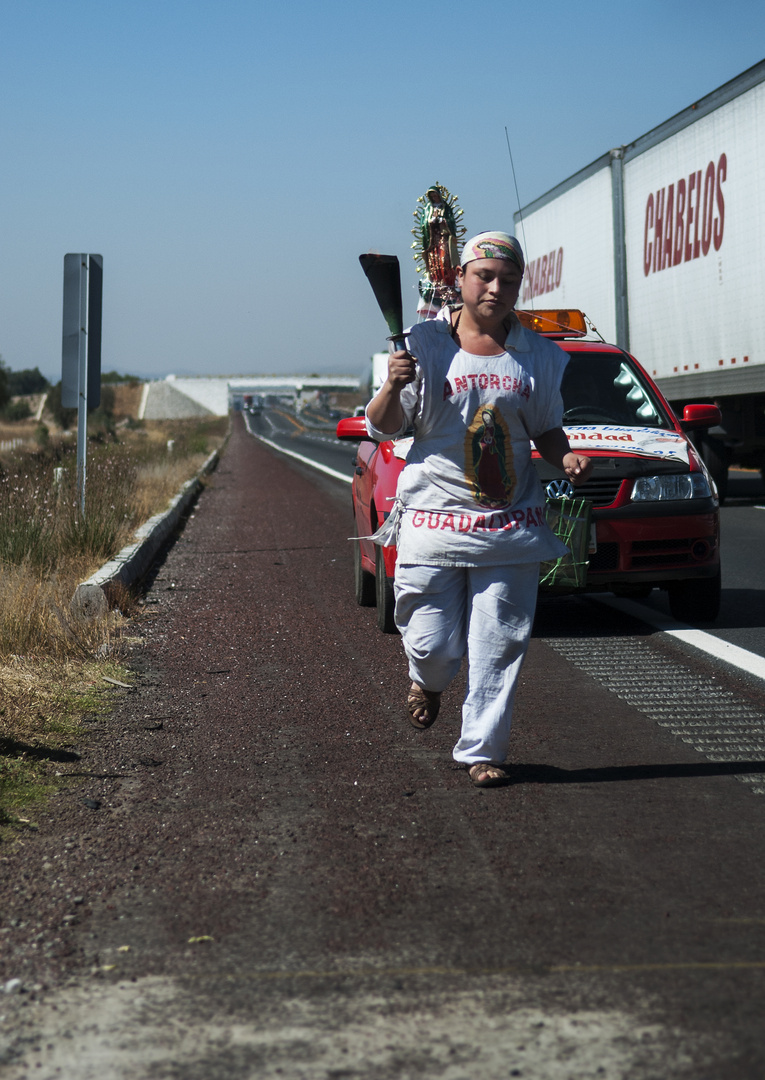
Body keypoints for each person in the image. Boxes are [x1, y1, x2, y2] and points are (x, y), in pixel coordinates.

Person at [365, 231, 593, 787]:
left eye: (507, 280)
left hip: (509, 523)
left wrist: (566, 456)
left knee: (501, 641)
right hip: (433, 519)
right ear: (461, 280)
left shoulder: (537, 354)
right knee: (433, 644)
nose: (495, 288)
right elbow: (385, 426)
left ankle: (481, 750)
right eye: (484, 276)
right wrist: (392, 389)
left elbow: (545, 426)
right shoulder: (422, 343)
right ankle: (428, 679)